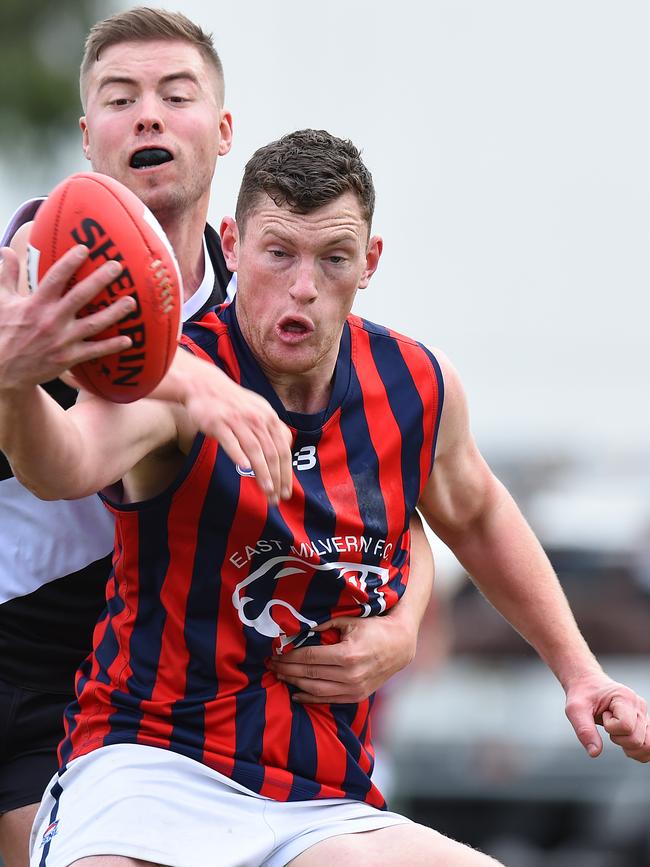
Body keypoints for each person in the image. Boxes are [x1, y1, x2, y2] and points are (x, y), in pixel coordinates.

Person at [3, 128, 649, 867]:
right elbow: (62, 465)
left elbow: (474, 514)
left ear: (368, 262)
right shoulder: (183, 378)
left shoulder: (413, 386)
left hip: (317, 800)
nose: (303, 286)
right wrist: (14, 378)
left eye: (332, 258)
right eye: (278, 253)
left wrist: (581, 671)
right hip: (149, 770)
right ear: (233, 244)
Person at [0, 10, 433, 867]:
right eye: (121, 99)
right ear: (89, 138)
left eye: (175, 94)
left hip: (189, 671)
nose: (149, 115)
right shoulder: (40, 266)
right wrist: (197, 384)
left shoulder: (271, 292)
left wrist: (404, 624)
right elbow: (63, 452)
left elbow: (387, 490)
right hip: (34, 651)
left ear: (225, 129)